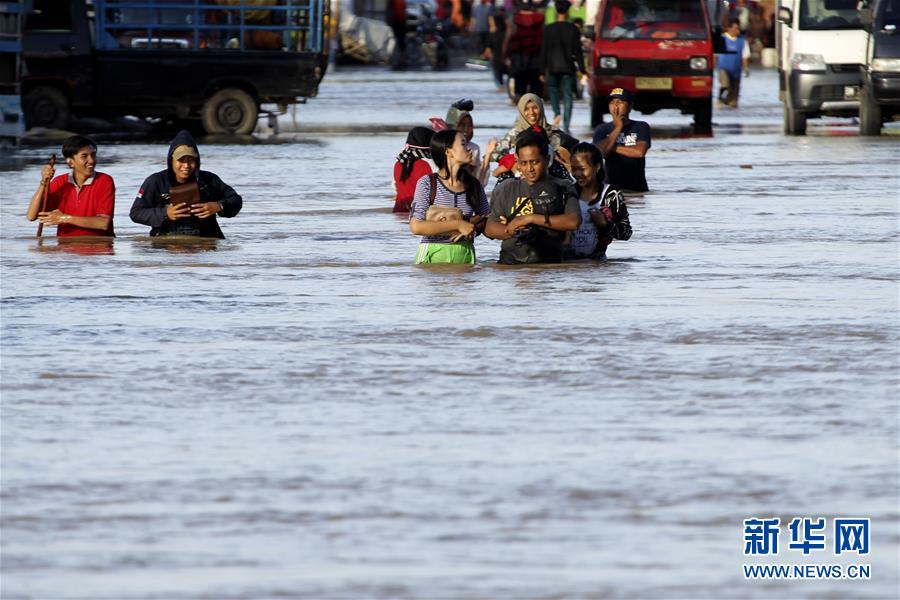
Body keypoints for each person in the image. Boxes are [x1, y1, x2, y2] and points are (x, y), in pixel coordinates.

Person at [485, 129, 580, 264]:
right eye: (524, 163)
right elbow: (490, 228)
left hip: (549, 264)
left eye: (535, 162)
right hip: (510, 265)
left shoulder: (563, 186)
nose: (529, 168)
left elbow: (573, 221)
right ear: (517, 162)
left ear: (547, 160)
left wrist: (529, 218)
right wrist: (512, 230)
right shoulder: (506, 188)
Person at [130, 130, 242, 238]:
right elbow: (136, 213)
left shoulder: (209, 180)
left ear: (197, 162)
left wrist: (219, 206)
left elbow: (236, 200)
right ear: (171, 160)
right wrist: (166, 213)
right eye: (181, 160)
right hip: (166, 244)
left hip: (205, 242)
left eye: (191, 160)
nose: (186, 166)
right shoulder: (155, 181)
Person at [408, 129, 490, 265]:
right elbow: (416, 227)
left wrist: (474, 226)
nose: (470, 149)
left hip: (465, 254)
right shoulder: (428, 183)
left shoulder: (474, 184)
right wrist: (458, 224)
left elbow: (487, 217)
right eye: (463, 144)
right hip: (432, 254)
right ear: (448, 151)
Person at [26, 135, 115, 237]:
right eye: (84, 156)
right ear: (70, 162)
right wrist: (43, 182)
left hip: (99, 249)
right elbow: (31, 216)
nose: (91, 160)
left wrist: (64, 218)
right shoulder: (60, 182)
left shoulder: (105, 181)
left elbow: (103, 223)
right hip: (65, 250)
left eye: (93, 155)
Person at [567, 142, 631, 260]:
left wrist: (605, 224)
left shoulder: (611, 194)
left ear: (597, 167)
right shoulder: (566, 192)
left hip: (598, 266)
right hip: (568, 265)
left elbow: (626, 233)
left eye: (582, 169)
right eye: (574, 169)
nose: (577, 174)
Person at [591, 87, 651, 192]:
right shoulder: (602, 129)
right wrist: (618, 128)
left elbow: (639, 152)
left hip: (637, 189)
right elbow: (600, 153)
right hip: (610, 188)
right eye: (612, 103)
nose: (615, 107)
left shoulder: (641, 126)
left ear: (630, 106)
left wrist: (612, 147)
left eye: (619, 102)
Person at [539, 0, 585, 133]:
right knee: (568, 95)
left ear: (556, 11)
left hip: (552, 67)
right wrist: (582, 69)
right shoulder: (573, 29)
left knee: (553, 91)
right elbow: (578, 51)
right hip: (568, 67)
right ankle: (566, 125)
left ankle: (556, 113)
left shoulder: (549, 29)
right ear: (568, 11)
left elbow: (544, 51)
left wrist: (542, 70)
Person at [445, 99, 496, 187]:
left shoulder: (474, 149)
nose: (466, 129)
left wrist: (488, 155)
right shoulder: (443, 146)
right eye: (462, 125)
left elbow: (480, 182)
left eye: (470, 126)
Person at [504, 0, 545, 101]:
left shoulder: (514, 20)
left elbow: (507, 39)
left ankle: (521, 113)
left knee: (519, 89)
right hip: (536, 58)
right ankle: (535, 113)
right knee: (536, 90)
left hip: (519, 58)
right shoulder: (540, 19)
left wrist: (504, 55)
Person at [393, 126, 436, 213]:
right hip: (422, 214)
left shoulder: (398, 163)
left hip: (399, 213)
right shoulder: (430, 163)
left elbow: (395, 187)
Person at [715, 19, 750, 108]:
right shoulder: (722, 39)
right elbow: (715, 55)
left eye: (738, 29)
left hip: (736, 71)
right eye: (735, 28)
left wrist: (746, 68)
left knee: (733, 102)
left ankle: (728, 100)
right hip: (723, 68)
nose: (737, 31)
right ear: (729, 28)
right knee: (725, 84)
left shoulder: (742, 41)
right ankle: (719, 99)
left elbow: (745, 56)